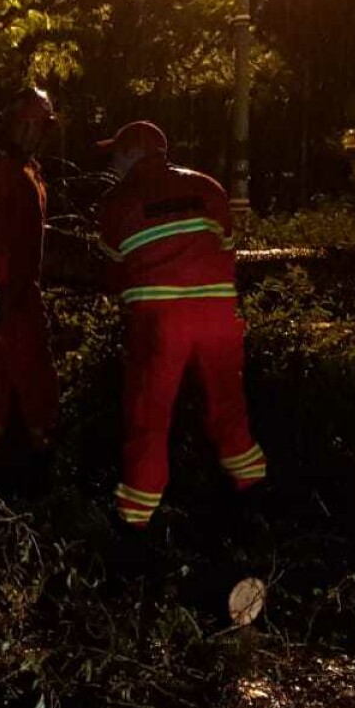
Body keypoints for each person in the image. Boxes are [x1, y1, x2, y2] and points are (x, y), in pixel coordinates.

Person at [94, 121, 267, 530]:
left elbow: (113, 270)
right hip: (218, 318)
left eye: (117, 154)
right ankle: (253, 496)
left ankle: (135, 521)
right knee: (228, 406)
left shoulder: (118, 200)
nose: (114, 163)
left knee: (148, 418)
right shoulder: (208, 187)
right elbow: (227, 248)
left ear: (134, 154)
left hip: (159, 325)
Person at [0, 88, 60, 467]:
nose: (29, 133)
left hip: (24, 291)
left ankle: (29, 460)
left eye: (36, 126)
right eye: (24, 124)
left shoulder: (29, 171)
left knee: (31, 374)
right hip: (3, 291)